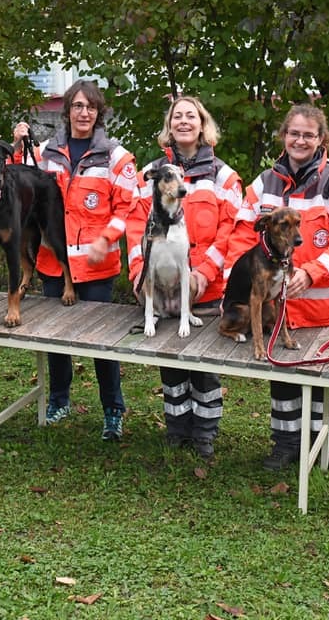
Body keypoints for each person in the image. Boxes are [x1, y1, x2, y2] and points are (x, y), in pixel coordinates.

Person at [225, 103, 329, 472]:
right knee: (282, 383)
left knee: (326, 384)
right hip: (278, 311)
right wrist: (234, 279)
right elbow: (242, 235)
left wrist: (313, 271)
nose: (300, 140)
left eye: (308, 134)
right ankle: (285, 444)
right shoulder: (262, 184)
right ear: (284, 137)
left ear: (322, 140)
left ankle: (328, 445)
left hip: (324, 309)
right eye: (294, 133)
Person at [13, 80, 137, 441]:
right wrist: (17, 144)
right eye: (78, 107)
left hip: (97, 267)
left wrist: (106, 239)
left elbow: (128, 206)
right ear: (67, 111)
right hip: (55, 265)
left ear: (99, 113)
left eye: (91, 107)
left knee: (103, 344)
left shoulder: (116, 156)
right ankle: (58, 400)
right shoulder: (47, 151)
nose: (84, 113)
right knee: (55, 340)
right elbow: (13, 175)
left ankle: (113, 410)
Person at [125, 96, 243, 459]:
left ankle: (205, 433)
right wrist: (137, 272)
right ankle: (176, 428)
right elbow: (134, 225)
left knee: (204, 367)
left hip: (205, 289)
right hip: (160, 286)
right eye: (177, 116)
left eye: (191, 115)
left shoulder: (222, 174)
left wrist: (204, 274)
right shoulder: (153, 170)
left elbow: (233, 230)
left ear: (202, 123)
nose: (184, 122)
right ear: (169, 125)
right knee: (171, 361)